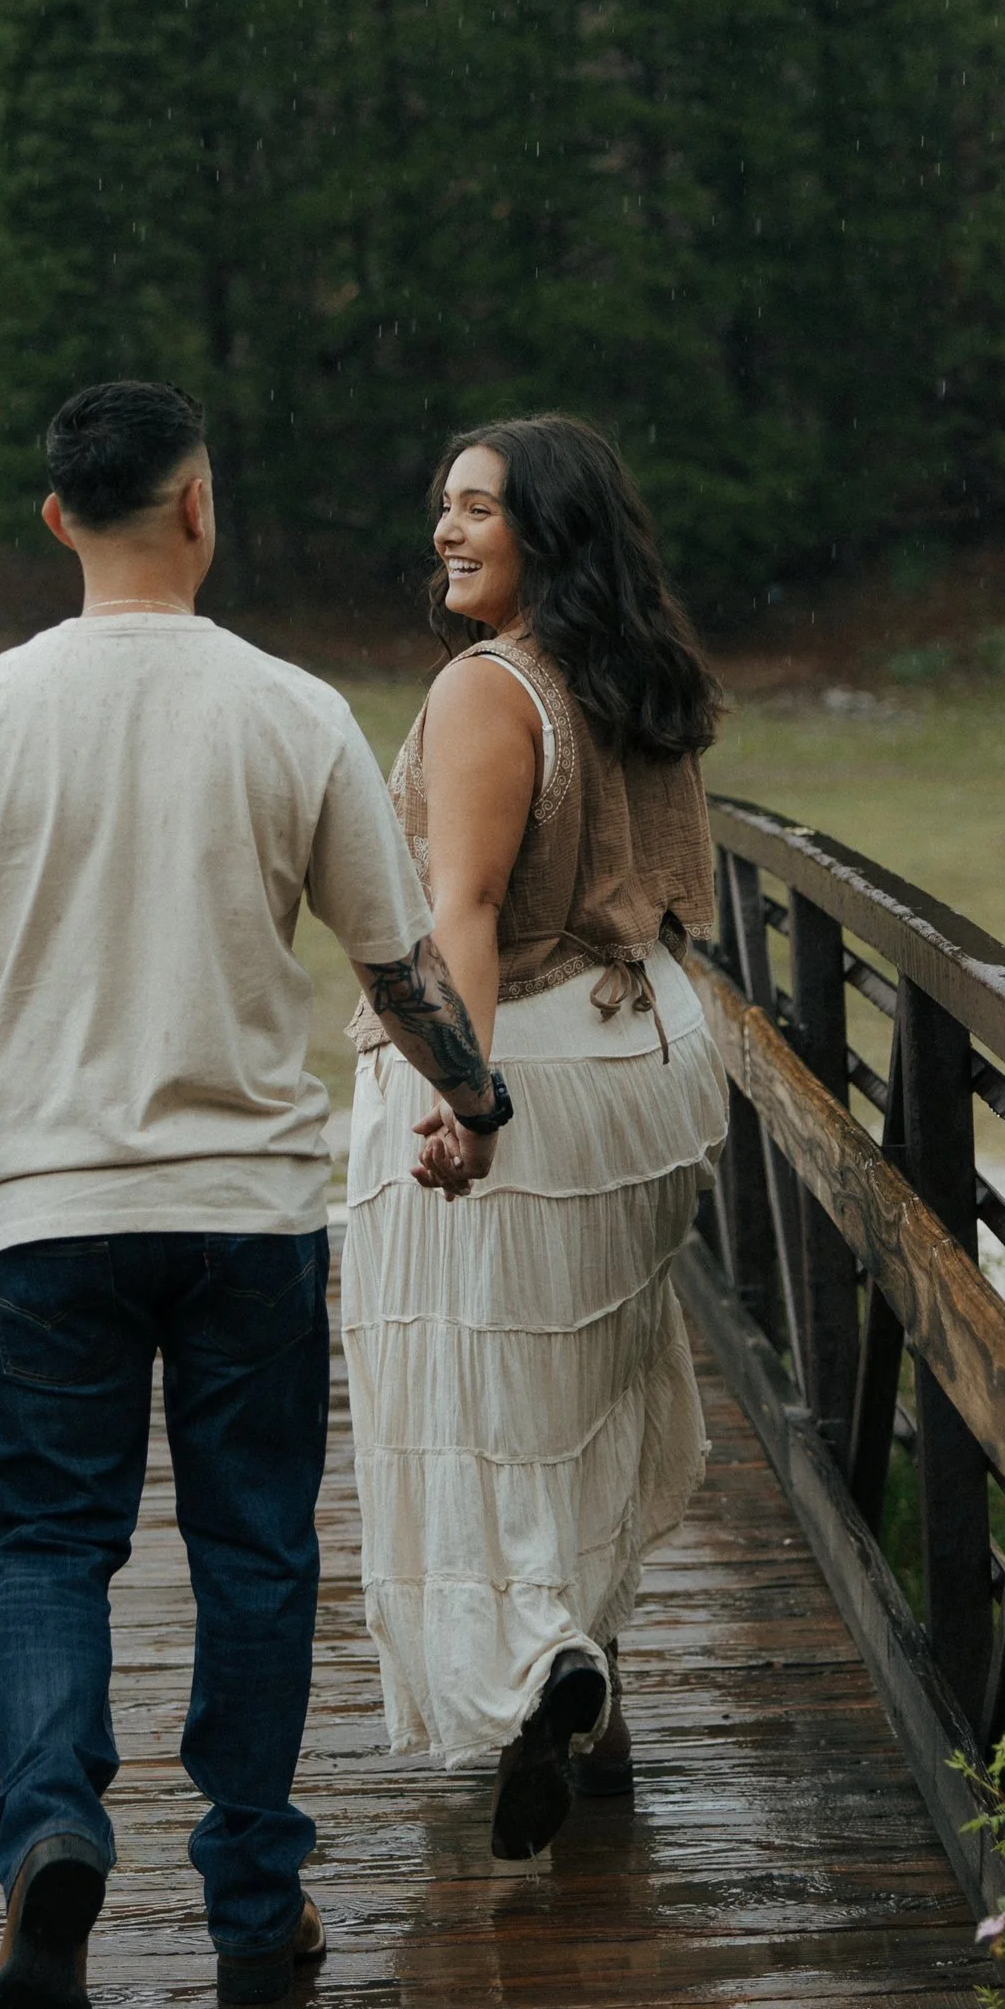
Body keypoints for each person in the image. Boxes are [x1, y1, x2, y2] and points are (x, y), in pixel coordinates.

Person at [0, 380, 510, 2009]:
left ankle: (54, 1836)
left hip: (50, 1208)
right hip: (249, 1214)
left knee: (53, 1546)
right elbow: (394, 966)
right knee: (253, 1551)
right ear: (201, 507)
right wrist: (475, 1100)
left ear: (57, 519)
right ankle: (251, 1910)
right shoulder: (292, 714)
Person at [342, 413, 728, 1861]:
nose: (447, 531)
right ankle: (595, 1704)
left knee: (480, 1398)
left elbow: (468, 911)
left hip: (533, 1073)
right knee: (586, 1386)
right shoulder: (636, 677)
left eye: (479, 510)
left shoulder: (487, 690)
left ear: (544, 533)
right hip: (651, 1061)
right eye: (442, 505)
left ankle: (542, 1668)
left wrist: (460, 1094)